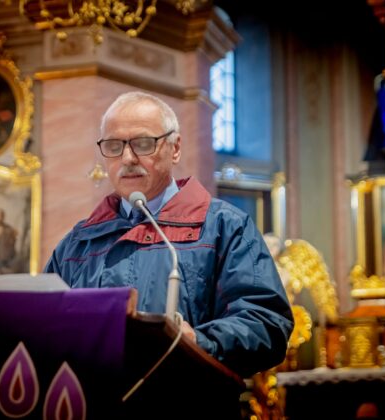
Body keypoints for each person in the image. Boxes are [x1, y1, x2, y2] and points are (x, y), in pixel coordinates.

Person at [44, 91, 294, 377]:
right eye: (113, 146)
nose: (127, 158)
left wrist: (199, 341)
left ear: (175, 148)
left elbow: (267, 323)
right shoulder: (78, 242)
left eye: (143, 143)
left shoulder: (225, 226)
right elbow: (44, 323)